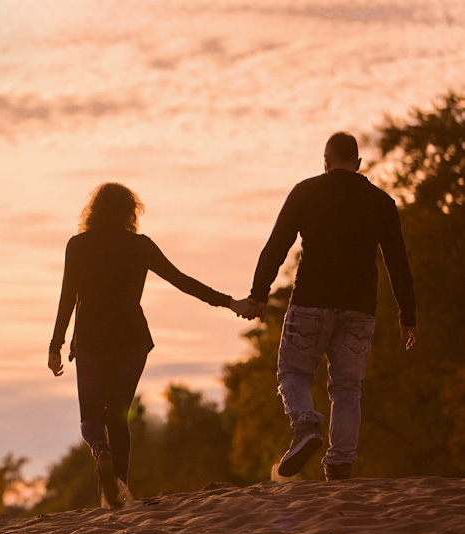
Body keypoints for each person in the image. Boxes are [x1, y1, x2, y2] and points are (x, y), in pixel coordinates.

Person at [48, 182, 255, 508]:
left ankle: (100, 451)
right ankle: (119, 491)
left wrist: (55, 344)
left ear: (95, 210)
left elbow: (67, 298)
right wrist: (230, 303)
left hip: (91, 340)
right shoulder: (139, 245)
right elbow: (181, 280)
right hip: (132, 340)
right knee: (118, 416)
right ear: (130, 212)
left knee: (92, 417)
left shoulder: (78, 245)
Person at [245, 132, 417, 481]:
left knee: (292, 372)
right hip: (360, 309)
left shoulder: (306, 192)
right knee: (347, 387)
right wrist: (408, 315)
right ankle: (340, 462)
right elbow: (398, 262)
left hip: (311, 300)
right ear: (358, 164)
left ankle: (305, 425)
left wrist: (259, 293)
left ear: (325, 161)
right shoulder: (381, 202)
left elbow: (277, 244)